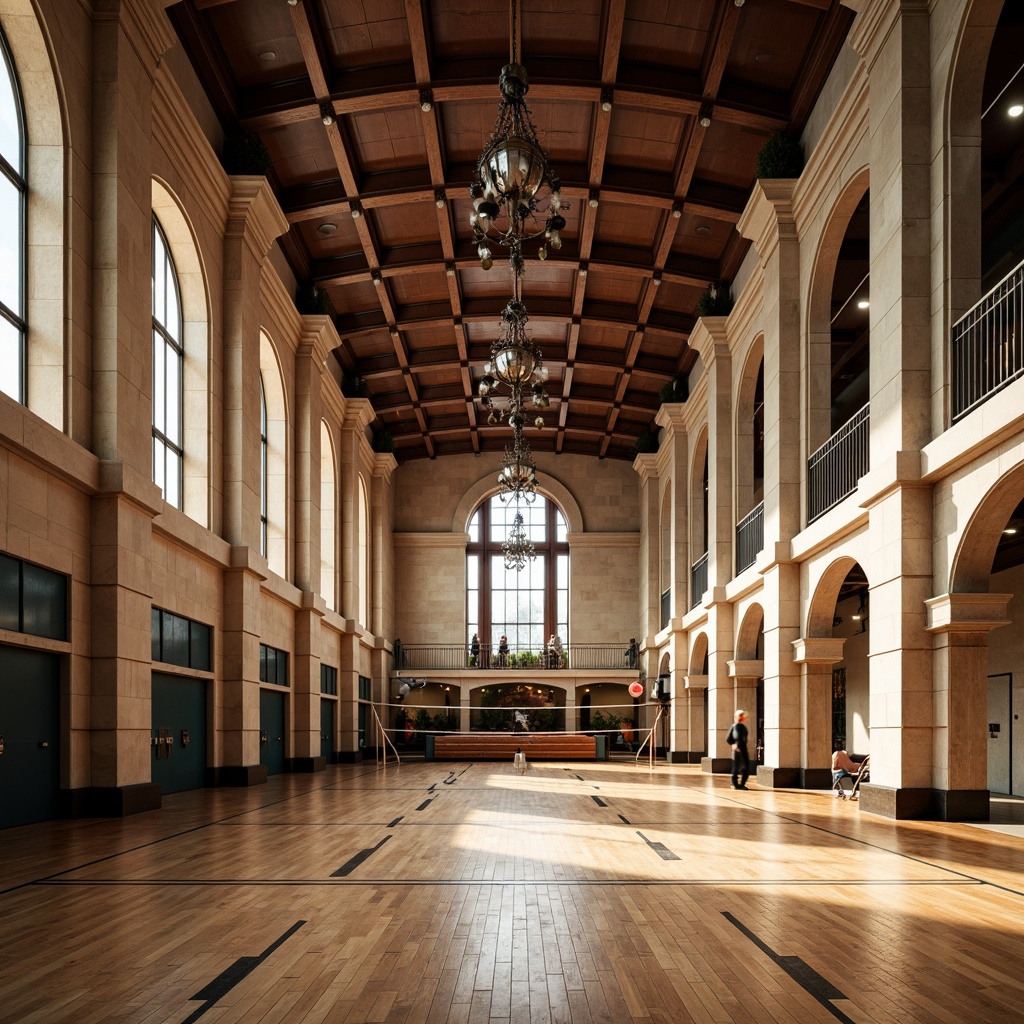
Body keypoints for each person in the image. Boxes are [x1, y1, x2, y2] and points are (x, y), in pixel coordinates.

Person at [727, 709, 750, 790]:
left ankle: (742, 784)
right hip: (737, 749)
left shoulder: (743, 727)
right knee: (736, 767)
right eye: (740, 716)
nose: (741, 718)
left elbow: (745, 737)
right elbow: (729, 739)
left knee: (746, 767)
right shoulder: (734, 726)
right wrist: (733, 745)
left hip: (743, 748)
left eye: (742, 716)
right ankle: (735, 784)